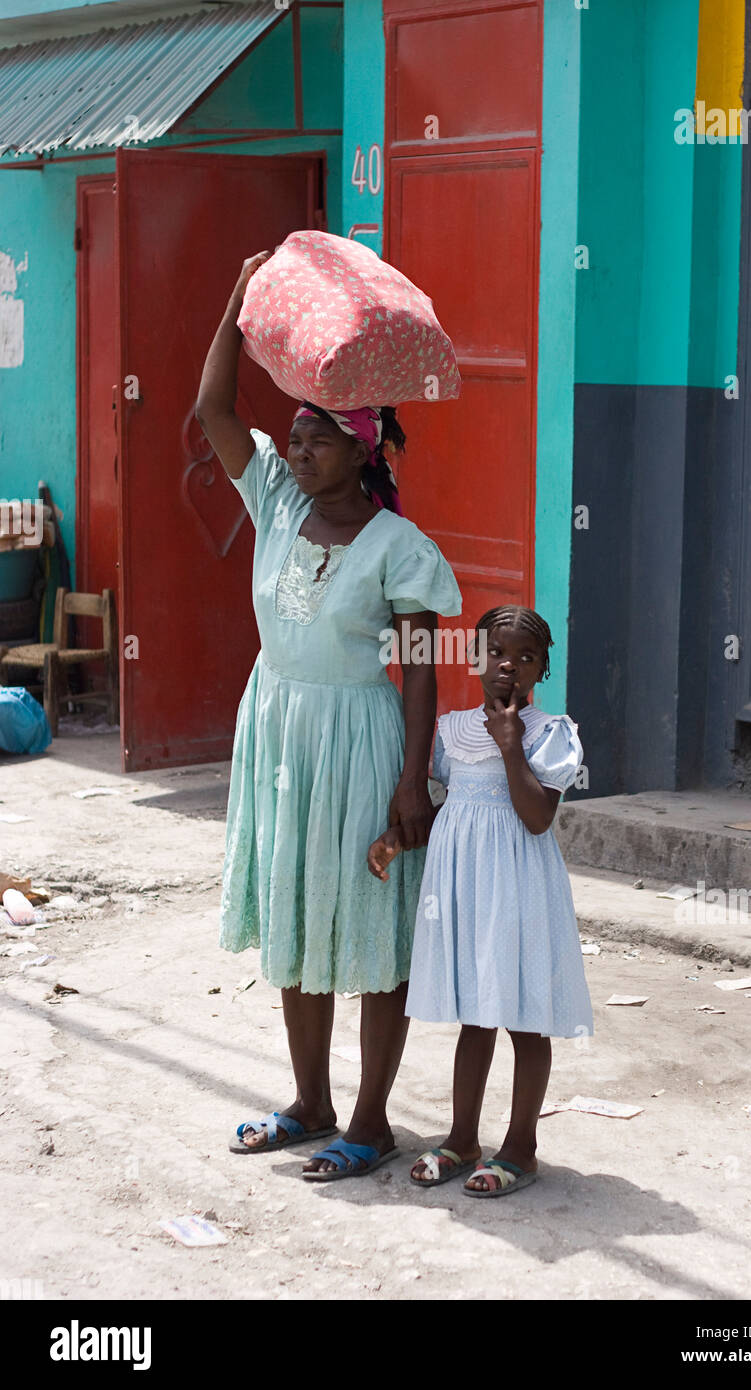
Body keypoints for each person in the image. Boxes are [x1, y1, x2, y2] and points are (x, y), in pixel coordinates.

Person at [196, 251, 462, 1180]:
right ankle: (309, 1103)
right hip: (275, 731)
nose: (297, 447)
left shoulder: (401, 549)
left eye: (318, 437)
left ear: (364, 449)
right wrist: (238, 301)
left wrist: (412, 781)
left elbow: (423, 672)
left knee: (371, 927)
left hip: (361, 742)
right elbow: (213, 413)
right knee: (296, 918)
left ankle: (371, 1120)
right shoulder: (273, 497)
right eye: (296, 433)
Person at [368, 605, 593, 1196]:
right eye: (496, 653)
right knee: (476, 1015)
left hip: (519, 888)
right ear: (476, 658)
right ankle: (462, 1136)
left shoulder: (549, 732)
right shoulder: (450, 731)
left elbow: (537, 816)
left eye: (524, 658)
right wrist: (399, 837)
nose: (508, 667)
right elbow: (455, 805)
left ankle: (521, 1146)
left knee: (524, 1018)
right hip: (464, 888)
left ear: (542, 669)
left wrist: (511, 744)